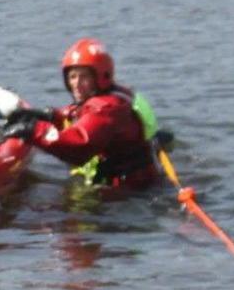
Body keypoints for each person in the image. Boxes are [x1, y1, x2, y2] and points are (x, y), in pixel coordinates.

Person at [12, 39, 161, 189]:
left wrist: (34, 130)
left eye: (84, 77)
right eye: (72, 77)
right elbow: (81, 116)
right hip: (122, 181)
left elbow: (80, 145)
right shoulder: (111, 96)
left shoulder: (108, 107)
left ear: (101, 77)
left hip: (129, 191)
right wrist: (50, 116)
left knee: (73, 210)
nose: (76, 83)